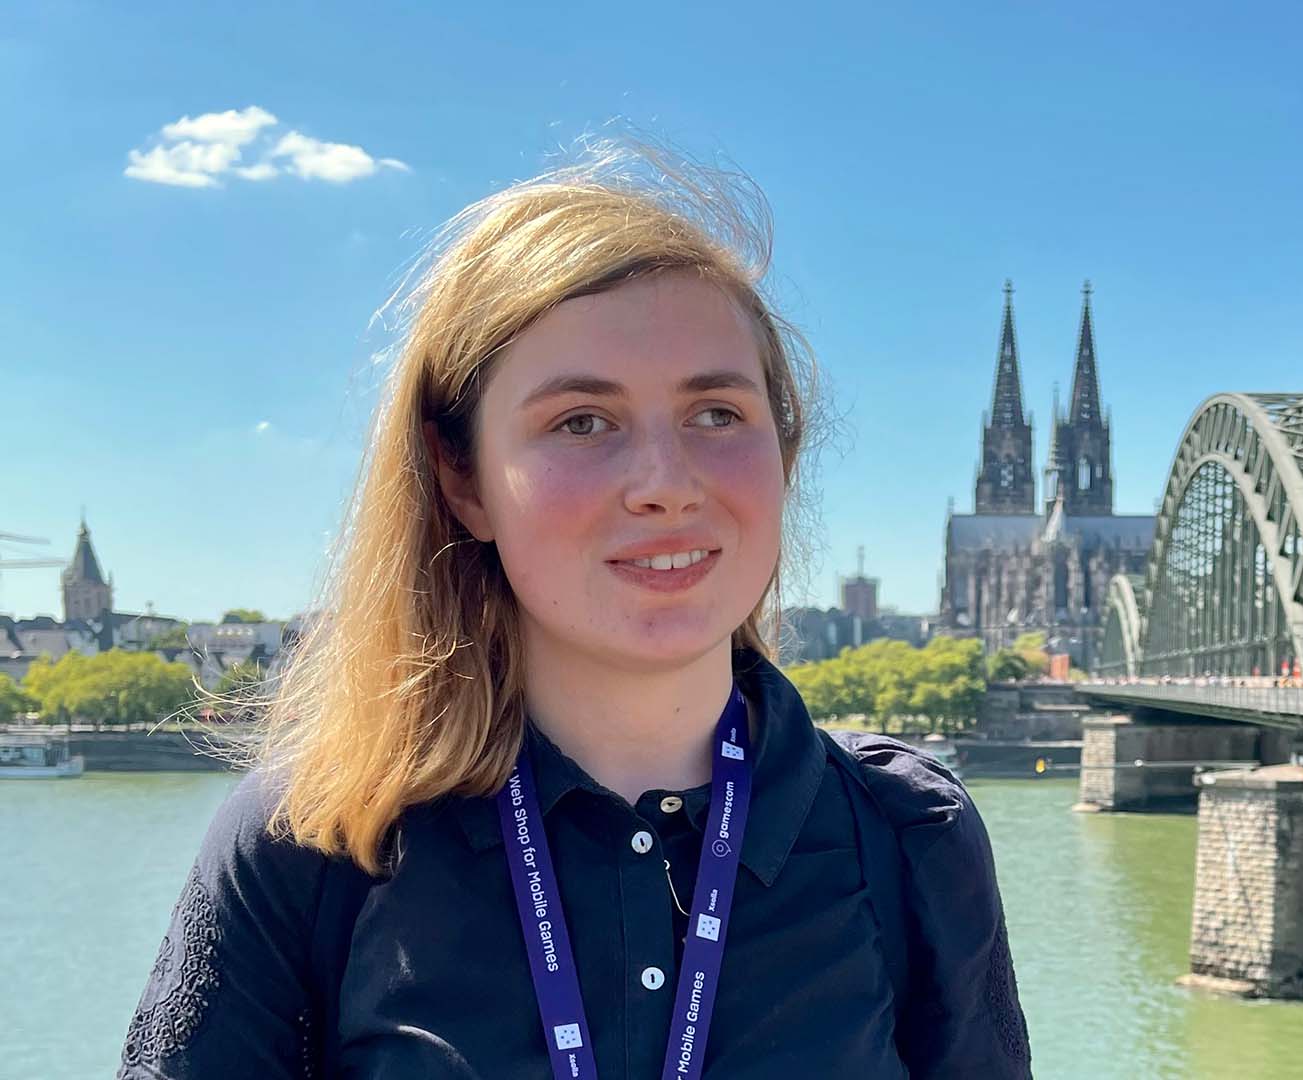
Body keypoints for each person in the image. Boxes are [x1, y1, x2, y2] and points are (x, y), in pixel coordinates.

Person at [118, 143, 1031, 1079]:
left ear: (784, 454)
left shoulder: (912, 839)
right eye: (581, 422)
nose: (665, 485)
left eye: (716, 412)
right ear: (462, 477)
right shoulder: (307, 846)